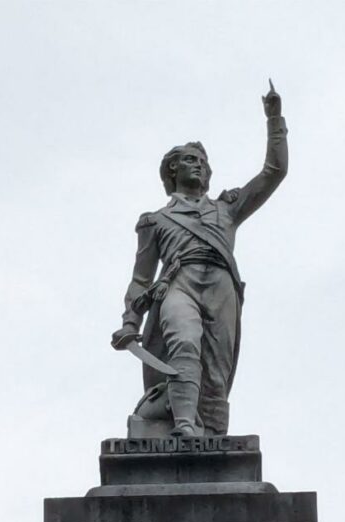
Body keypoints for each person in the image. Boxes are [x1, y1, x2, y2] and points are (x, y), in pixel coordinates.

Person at [112, 82, 288, 437]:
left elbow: (274, 172)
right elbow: (141, 279)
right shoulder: (156, 220)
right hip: (180, 284)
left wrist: (274, 120)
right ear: (172, 170)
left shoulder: (227, 209)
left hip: (222, 287)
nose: (199, 167)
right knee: (185, 343)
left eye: (203, 163)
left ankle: (210, 434)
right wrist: (131, 320)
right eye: (190, 161)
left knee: (216, 373)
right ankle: (184, 427)